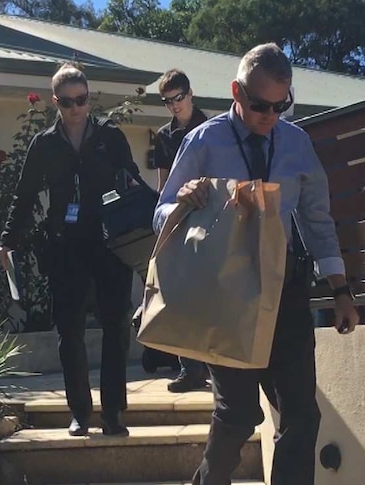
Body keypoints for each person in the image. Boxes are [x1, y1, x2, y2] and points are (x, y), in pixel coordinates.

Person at [153, 43, 361, 484]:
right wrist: (183, 202)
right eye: (259, 104)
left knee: (302, 414)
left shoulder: (296, 144)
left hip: (283, 290)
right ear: (236, 92)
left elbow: (317, 220)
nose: (270, 114)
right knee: (239, 414)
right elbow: (160, 214)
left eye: (280, 105)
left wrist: (341, 290)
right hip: (225, 294)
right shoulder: (204, 140)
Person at [0, 63, 139, 437]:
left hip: (109, 242)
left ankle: (113, 413)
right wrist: (8, 239)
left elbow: (133, 182)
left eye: (83, 100)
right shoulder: (44, 144)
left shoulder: (110, 137)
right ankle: (79, 411)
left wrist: (143, 230)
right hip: (66, 244)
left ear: (89, 97)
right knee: (69, 329)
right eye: (69, 102)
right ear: (55, 101)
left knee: (116, 325)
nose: (77, 108)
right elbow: (24, 196)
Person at [152, 68, 211, 393]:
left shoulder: (212, 128)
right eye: (167, 101)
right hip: (178, 218)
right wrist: (163, 221)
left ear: (190, 94)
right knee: (179, 296)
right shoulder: (164, 136)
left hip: (209, 217)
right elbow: (164, 186)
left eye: (178, 98)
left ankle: (216, 367)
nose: (174, 106)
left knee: (210, 295)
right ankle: (189, 369)